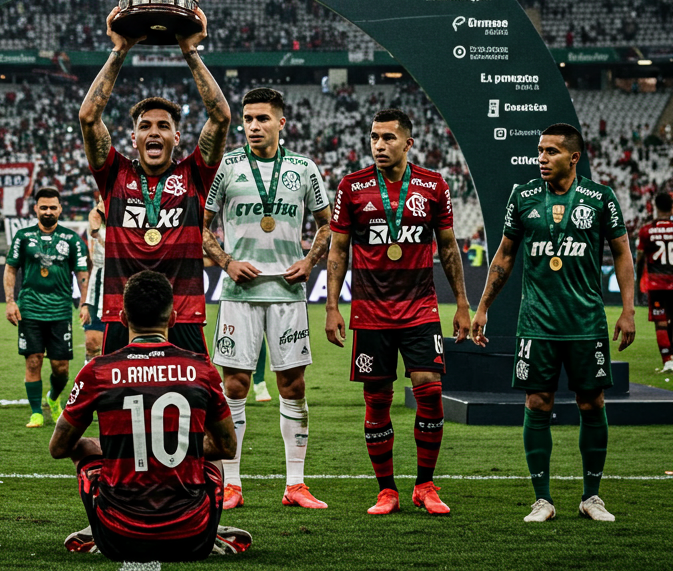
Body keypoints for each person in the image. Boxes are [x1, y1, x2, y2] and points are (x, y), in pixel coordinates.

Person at [472, 122, 636, 523]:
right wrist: (482, 308)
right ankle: (542, 499)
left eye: (551, 152)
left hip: (586, 322)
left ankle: (591, 497)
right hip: (536, 323)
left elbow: (623, 253)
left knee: (591, 403)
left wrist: (628, 310)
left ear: (573, 157)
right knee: (536, 403)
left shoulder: (600, 198)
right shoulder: (523, 196)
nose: (541, 158)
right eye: (539, 151)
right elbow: (505, 256)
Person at [325, 108, 471, 517]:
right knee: (377, 400)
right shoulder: (351, 187)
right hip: (370, 313)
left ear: (408, 143)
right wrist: (333, 306)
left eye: (388, 138)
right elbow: (338, 249)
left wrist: (461, 303)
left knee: (429, 391)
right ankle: (386, 490)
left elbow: (447, 247)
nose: (379, 145)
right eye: (374, 137)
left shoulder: (433, 185)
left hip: (420, 308)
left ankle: (424, 484)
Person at [49, 270, 251, 560]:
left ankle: (97, 527)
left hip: (116, 539)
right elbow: (228, 447)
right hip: (193, 538)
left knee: (83, 446)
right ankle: (212, 529)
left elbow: (58, 448)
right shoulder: (202, 369)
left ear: (121, 318)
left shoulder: (97, 371)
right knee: (213, 455)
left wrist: (119, 445)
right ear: (172, 319)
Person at [203, 86, 333, 510]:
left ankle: (295, 484)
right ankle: (232, 484)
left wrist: (311, 260)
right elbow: (199, 226)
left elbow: (328, 225)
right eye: (248, 119)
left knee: (291, 385)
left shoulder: (304, 168)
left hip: (288, 292)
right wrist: (226, 262)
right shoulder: (225, 167)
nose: (253, 126)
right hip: (239, 293)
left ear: (281, 122)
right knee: (234, 385)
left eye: (262, 118)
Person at [77, 5, 230, 356]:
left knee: (192, 404)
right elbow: (88, 117)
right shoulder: (115, 174)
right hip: (122, 314)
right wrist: (119, 50)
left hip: (183, 313)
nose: (154, 132)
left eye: (164, 126)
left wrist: (190, 49)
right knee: (120, 404)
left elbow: (221, 117)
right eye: (145, 126)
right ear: (133, 139)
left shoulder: (194, 174)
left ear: (177, 138)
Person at [4, 186, 89, 428]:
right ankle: (36, 413)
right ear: (36, 209)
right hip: (29, 308)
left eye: (53, 207)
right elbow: (10, 268)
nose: (48, 211)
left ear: (60, 209)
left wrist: (84, 303)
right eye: (44, 207)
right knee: (33, 360)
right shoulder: (22, 236)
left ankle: (53, 397)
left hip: (60, 310)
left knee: (61, 368)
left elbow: (83, 273)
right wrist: (11, 301)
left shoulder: (72, 239)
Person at [636, 191, 673, 372]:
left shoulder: (646, 230)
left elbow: (640, 258)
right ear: (671, 207)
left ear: (655, 207)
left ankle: (667, 360)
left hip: (657, 284)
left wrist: (637, 284)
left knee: (661, 322)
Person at [81, 198, 107, 361]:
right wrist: (84, 302)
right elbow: (87, 264)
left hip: (125, 288)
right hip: (97, 288)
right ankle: (90, 385)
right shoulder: (94, 220)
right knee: (92, 343)